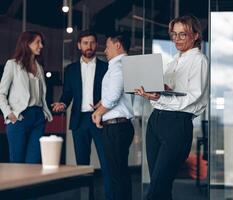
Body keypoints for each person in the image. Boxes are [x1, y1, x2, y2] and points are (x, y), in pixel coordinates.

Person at [135, 15, 209, 200]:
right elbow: (165, 94)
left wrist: (160, 96)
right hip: (156, 121)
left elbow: (194, 97)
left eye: (182, 34)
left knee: (157, 187)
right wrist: (154, 93)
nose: (176, 39)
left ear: (195, 36)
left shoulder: (199, 60)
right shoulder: (174, 61)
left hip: (177, 124)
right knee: (160, 186)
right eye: (174, 34)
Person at [51, 30, 112, 200]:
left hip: (100, 118)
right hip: (79, 121)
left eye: (92, 43)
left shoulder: (105, 68)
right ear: (79, 46)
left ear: (96, 45)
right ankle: (86, 198)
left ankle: (110, 197)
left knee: (106, 162)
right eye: (85, 43)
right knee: (82, 166)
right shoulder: (70, 69)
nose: (89, 46)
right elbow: (67, 94)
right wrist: (62, 103)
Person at [92, 32, 134, 200]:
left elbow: (114, 96)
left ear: (117, 45)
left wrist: (98, 113)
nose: (105, 50)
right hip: (120, 126)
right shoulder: (123, 66)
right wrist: (101, 105)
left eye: (107, 46)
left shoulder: (118, 66)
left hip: (116, 127)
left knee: (116, 175)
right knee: (120, 173)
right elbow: (114, 95)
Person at [0, 30, 53, 163]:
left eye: (41, 43)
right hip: (20, 116)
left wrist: (44, 114)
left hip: (38, 117)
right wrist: (9, 114)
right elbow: (1, 93)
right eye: (37, 42)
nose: (41, 46)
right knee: (17, 162)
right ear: (27, 44)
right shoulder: (12, 64)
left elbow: (41, 95)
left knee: (34, 163)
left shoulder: (39, 67)